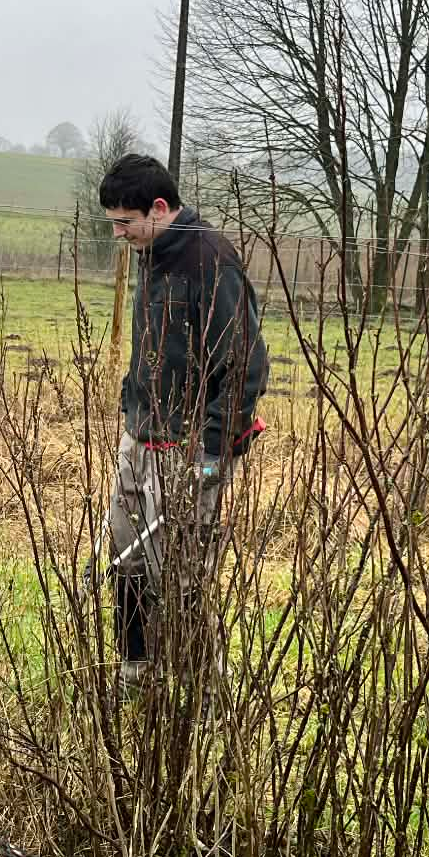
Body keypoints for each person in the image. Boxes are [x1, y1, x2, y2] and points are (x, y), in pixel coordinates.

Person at [98, 153, 268, 681]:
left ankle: (201, 689)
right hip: (142, 439)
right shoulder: (153, 253)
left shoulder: (210, 261)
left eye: (125, 222)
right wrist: (132, 407)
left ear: (159, 207)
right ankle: (136, 672)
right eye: (113, 224)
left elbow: (244, 364)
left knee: (184, 575)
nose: (120, 233)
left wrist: (213, 451)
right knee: (126, 560)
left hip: (193, 449)